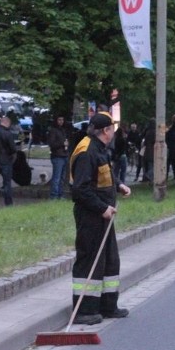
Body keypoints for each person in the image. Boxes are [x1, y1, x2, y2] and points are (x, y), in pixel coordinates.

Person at [69, 111, 131, 324]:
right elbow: (80, 189)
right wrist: (101, 207)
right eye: (112, 128)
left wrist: (118, 184)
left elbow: (103, 175)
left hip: (104, 215)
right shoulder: (86, 151)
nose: (114, 131)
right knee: (90, 261)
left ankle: (107, 305)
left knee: (109, 260)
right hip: (91, 216)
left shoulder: (100, 148)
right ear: (105, 130)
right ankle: (84, 310)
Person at [47, 115, 69, 199]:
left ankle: (60, 194)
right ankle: (54, 195)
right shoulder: (53, 131)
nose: (61, 122)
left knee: (62, 177)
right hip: (57, 156)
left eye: (62, 120)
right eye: (59, 120)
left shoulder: (63, 130)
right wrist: (62, 144)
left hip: (64, 155)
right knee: (57, 177)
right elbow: (52, 144)